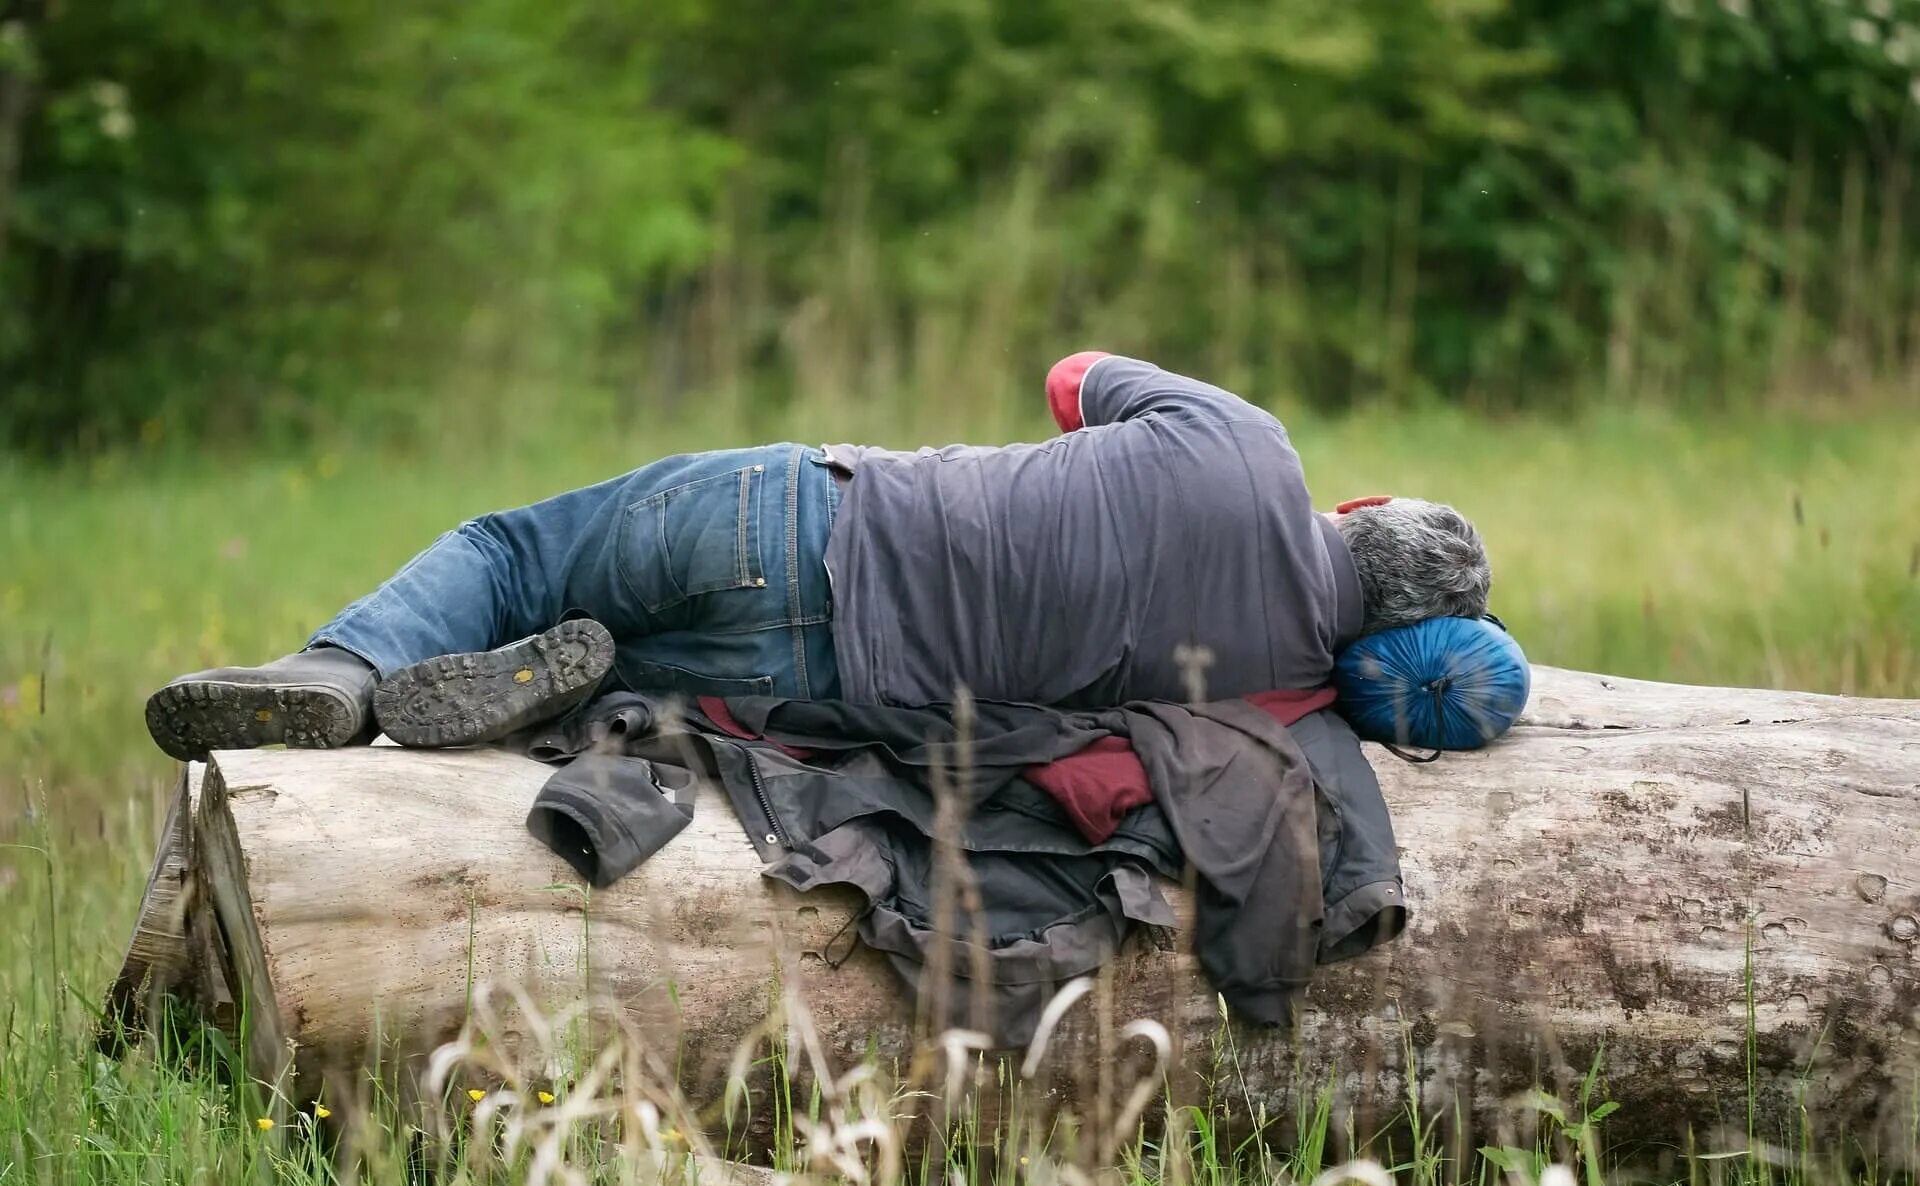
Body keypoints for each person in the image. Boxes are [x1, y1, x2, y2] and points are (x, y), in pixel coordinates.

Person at [143, 352, 1492, 761]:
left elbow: (1069, 376)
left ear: (1360, 505)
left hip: (807, 515)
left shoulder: (1250, 441)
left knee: (512, 550)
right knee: (640, 679)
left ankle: (334, 669)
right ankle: (560, 700)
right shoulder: (1274, 689)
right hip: (827, 691)